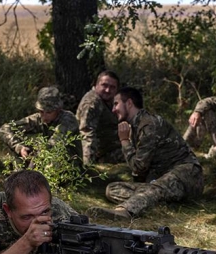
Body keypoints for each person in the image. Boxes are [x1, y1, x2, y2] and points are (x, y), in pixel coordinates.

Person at [87, 87, 204, 221]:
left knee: (156, 188)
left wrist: (125, 141)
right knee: (112, 189)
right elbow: (140, 174)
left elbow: (139, 167)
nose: (113, 109)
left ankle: (125, 211)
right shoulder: (137, 126)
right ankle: (161, 205)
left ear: (129, 103)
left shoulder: (149, 124)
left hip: (186, 175)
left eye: (116, 103)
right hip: (160, 182)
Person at [0, 87, 81, 161]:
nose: (44, 116)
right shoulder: (38, 118)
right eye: (41, 112)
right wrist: (19, 147)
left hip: (70, 168)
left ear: (58, 110)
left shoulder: (68, 120)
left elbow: (53, 144)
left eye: (49, 112)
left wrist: (34, 160)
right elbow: (5, 129)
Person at [76, 71, 124, 165]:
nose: (107, 90)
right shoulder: (92, 103)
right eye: (104, 85)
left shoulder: (108, 100)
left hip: (111, 148)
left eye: (112, 87)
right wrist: (87, 168)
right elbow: (86, 134)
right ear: (96, 85)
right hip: (101, 155)